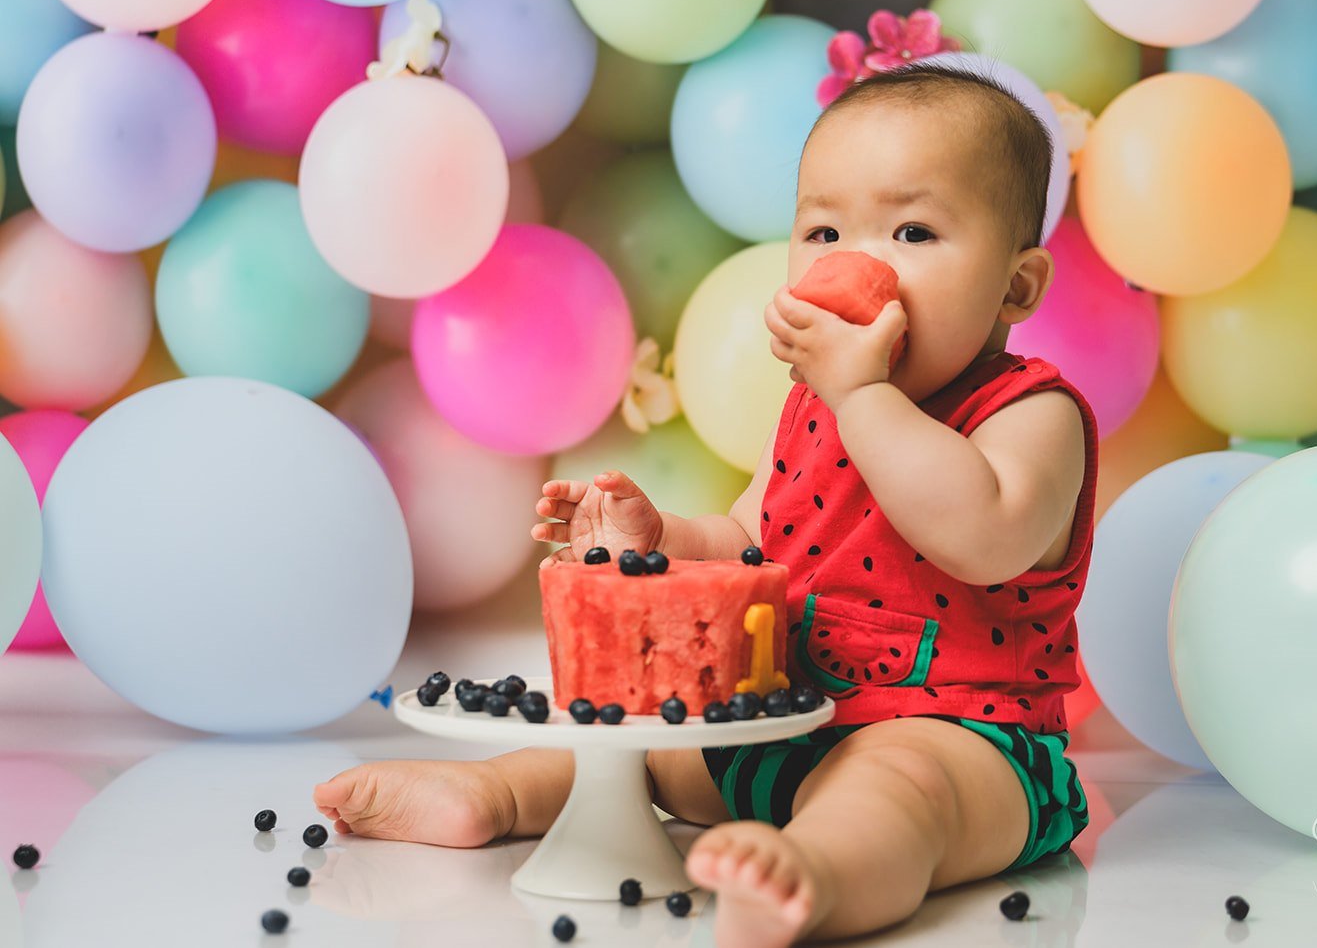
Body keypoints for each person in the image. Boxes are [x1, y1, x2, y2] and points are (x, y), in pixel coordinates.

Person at [314, 63, 1098, 947]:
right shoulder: (820, 410)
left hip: (965, 739)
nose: (859, 264)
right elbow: (753, 542)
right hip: (785, 714)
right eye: (825, 228)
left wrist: (863, 396)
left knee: (902, 787)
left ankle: (820, 874)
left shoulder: (1033, 414)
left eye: (913, 230)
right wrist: (661, 540)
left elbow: (983, 534)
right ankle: (495, 794)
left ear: (1016, 285)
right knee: (646, 745)